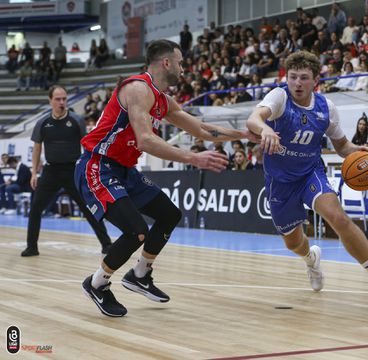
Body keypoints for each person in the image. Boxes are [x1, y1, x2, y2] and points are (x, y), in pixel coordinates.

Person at [76, 39, 259, 317]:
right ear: (166, 63)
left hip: (124, 170)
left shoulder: (163, 99)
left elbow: (201, 129)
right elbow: (146, 140)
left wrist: (243, 135)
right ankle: (97, 283)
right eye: (181, 62)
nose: (184, 69)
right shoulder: (137, 88)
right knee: (136, 231)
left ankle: (140, 274)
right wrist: (193, 158)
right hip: (97, 166)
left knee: (169, 214)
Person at [246, 51, 368, 299]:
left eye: (303, 78)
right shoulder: (279, 97)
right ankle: (311, 259)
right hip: (280, 180)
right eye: (292, 77)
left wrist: (358, 150)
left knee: (338, 217)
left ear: (315, 81)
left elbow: (342, 147)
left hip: (311, 173)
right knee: (293, 243)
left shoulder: (326, 107)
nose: (297, 83)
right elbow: (254, 119)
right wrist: (265, 128)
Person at [20, 85, 113, 257]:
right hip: (51, 172)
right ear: (50, 101)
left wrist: (87, 170)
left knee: (89, 208)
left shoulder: (77, 120)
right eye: (58, 99)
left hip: (73, 171)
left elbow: (87, 146)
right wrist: (34, 173)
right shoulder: (42, 123)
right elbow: (37, 148)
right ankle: (31, 247)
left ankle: (107, 244)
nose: (62, 102)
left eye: (64, 99)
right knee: (35, 208)